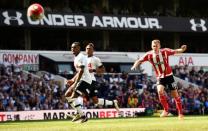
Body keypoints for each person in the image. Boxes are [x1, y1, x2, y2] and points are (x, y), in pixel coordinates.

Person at [131, 39, 187, 120]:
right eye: (153, 46)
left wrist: (182, 49)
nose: (155, 47)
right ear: (151, 46)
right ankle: (166, 110)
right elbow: (139, 60)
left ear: (159, 46)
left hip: (170, 77)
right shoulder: (149, 55)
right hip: (160, 77)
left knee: (175, 95)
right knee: (160, 91)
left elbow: (175, 51)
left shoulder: (165, 51)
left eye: (156, 46)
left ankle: (180, 113)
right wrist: (134, 66)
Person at [85, 43, 119, 111]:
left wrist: (94, 70)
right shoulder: (83, 59)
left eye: (90, 49)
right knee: (95, 101)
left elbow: (103, 70)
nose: (88, 50)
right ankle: (112, 103)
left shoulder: (95, 59)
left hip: (90, 80)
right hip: (84, 79)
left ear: (93, 50)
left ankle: (80, 114)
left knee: (77, 93)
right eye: (87, 49)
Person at [65, 42, 92, 123]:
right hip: (81, 79)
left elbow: (81, 70)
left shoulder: (80, 57)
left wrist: (75, 83)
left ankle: (81, 115)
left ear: (79, 48)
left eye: (75, 47)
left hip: (85, 80)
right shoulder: (76, 57)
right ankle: (80, 114)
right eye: (72, 47)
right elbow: (79, 72)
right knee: (67, 95)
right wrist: (73, 80)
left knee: (72, 97)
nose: (73, 49)